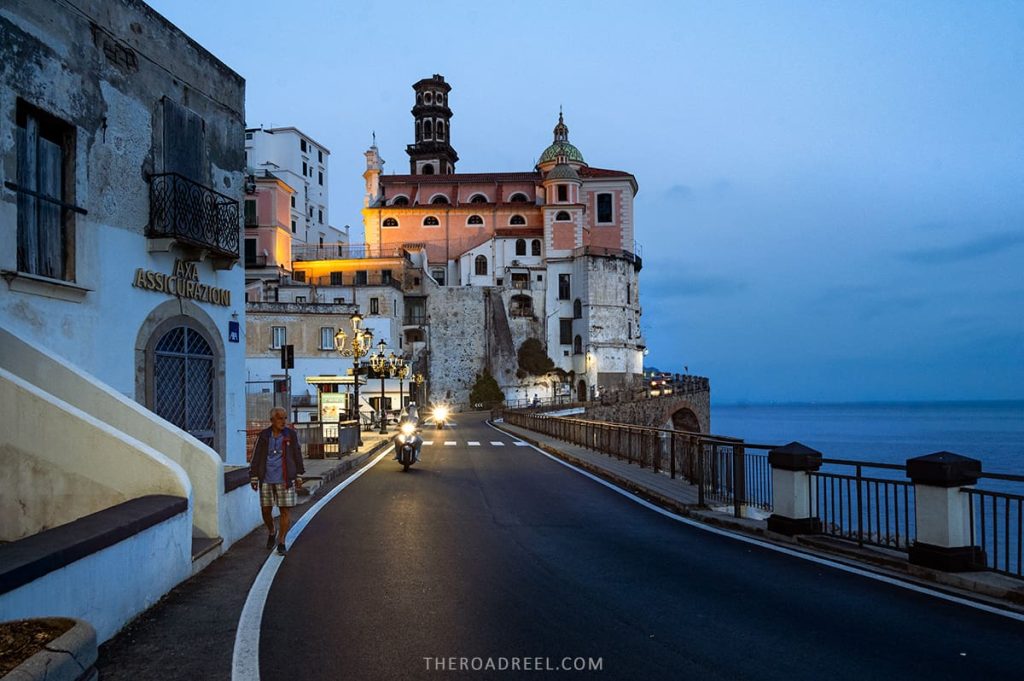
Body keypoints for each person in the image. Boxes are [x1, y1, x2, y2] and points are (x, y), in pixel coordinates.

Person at [249, 407, 304, 555]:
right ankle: (272, 531)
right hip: (266, 478)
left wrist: (299, 474)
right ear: (272, 420)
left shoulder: (290, 435)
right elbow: (256, 456)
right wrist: (254, 476)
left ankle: (281, 541)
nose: (283, 421)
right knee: (266, 510)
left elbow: (297, 453)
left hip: (285, 479)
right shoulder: (264, 436)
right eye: (280, 418)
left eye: (285, 418)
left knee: (285, 510)